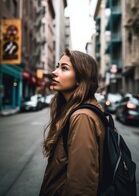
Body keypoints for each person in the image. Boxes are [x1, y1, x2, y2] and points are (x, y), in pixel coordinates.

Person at [39, 49, 106, 196]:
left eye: (64, 68)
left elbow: (81, 186)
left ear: (80, 78)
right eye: (57, 66)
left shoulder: (82, 117)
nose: (54, 72)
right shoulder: (73, 110)